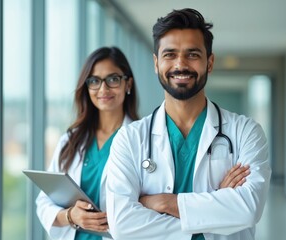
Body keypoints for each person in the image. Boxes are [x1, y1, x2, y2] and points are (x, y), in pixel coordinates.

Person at [105, 8, 271, 240]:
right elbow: (122, 224)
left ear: (209, 62)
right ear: (156, 63)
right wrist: (217, 207)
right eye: (170, 54)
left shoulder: (245, 132)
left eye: (192, 54)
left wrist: (164, 203)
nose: (180, 64)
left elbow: (249, 208)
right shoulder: (130, 139)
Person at [36, 46, 139, 240]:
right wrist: (70, 216)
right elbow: (43, 203)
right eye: (94, 81)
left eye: (113, 79)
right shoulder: (71, 139)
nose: (103, 89)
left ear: (128, 84)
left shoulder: (142, 140)